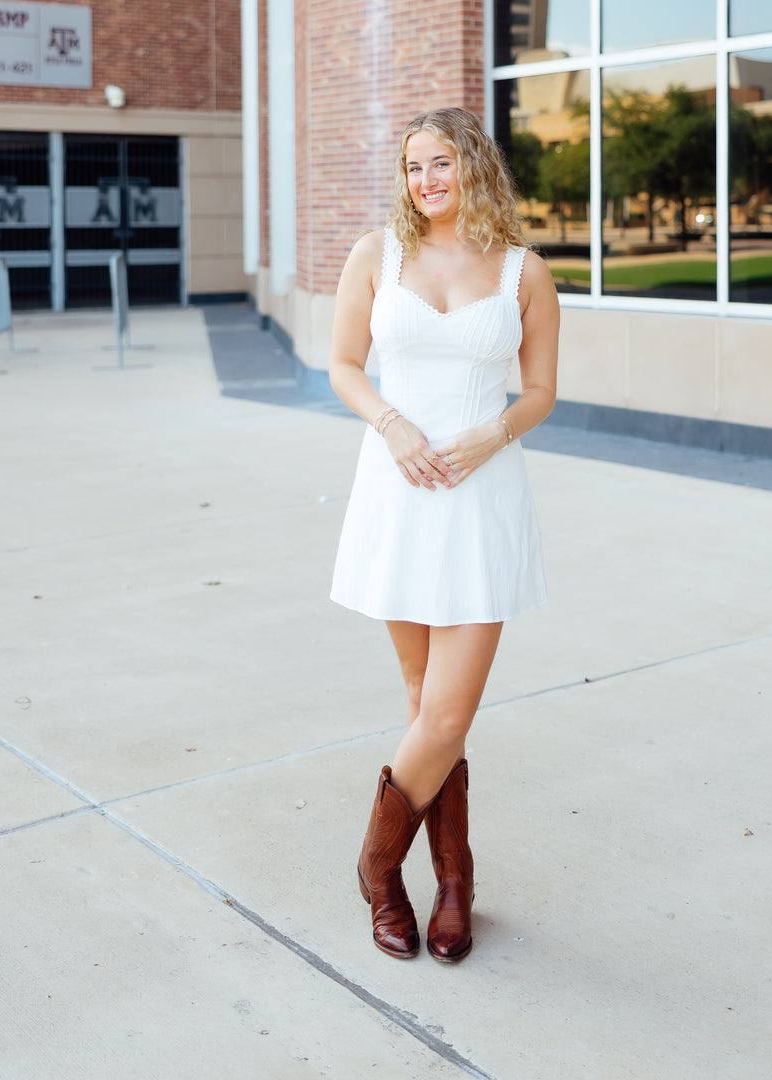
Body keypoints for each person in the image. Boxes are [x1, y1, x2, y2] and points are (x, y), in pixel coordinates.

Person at [329, 107, 560, 963]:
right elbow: (344, 364)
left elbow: (539, 391)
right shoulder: (376, 254)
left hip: (481, 495)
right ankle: (454, 884)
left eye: (441, 163)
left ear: (475, 167)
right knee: (426, 707)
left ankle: (377, 867)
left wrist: (493, 433)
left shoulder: (524, 272)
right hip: (396, 490)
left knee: (448, 710)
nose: (426, 180)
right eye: (413, 166)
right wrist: (392, 426)